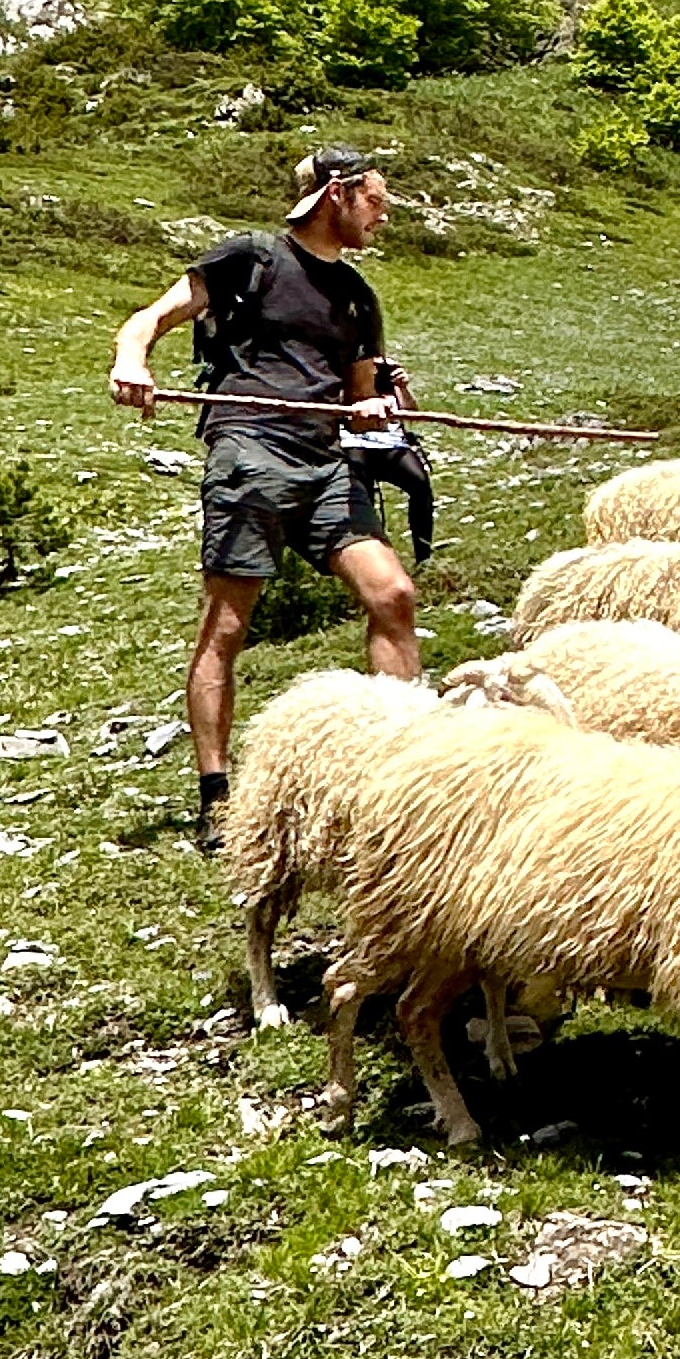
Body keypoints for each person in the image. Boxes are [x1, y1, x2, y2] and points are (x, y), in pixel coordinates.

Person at [108, 146, 419, 844]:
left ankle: (401, 766)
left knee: (391, 595)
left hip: (327, 458)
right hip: (250, 446)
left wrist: (379, 407)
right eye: (376, 198)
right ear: (338, 194)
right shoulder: (250, 258)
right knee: (226, 626)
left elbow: (359, 398)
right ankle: (216, 793)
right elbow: (149, 319)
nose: (385, 212)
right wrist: (132, 364)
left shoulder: (359, 298)